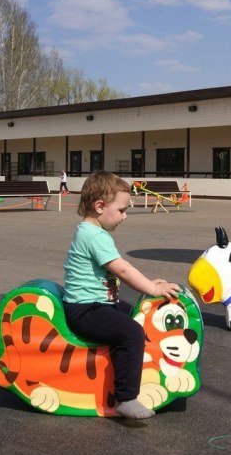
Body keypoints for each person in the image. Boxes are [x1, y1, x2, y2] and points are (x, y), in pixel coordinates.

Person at [62, 171, 182, 420]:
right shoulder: (93, 236)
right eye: (121, 210)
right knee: (132, 332)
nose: (125, 216)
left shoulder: (91, 232)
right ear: (99, 206)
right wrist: (152, 289)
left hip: (98, 305)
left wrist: (149, 284)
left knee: (137, 316)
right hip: (86, 310)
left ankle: (140, 370)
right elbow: (122, 269)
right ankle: (126, 398)